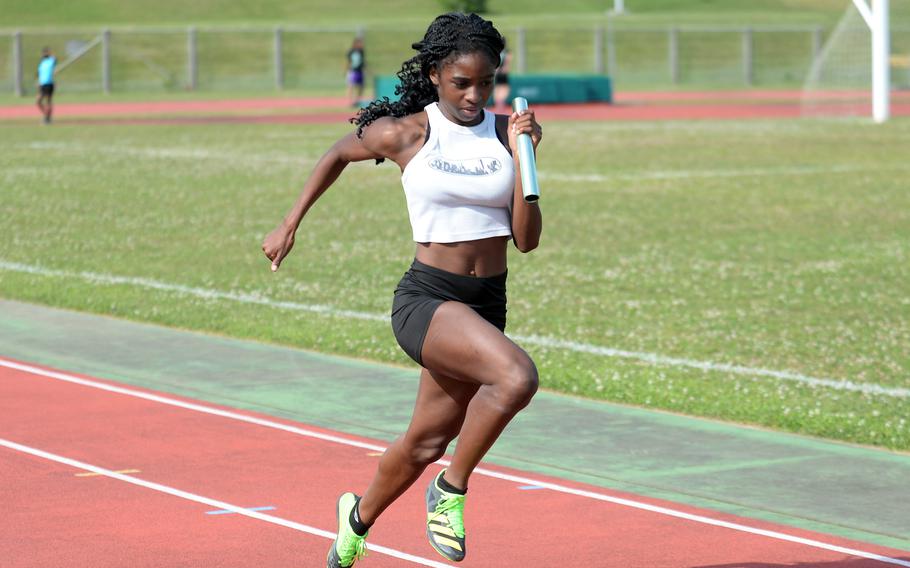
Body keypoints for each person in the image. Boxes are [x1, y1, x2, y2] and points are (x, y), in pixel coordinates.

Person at [262, 12, 543, 568]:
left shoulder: (504, 135)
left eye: (485, 83)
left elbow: (526, 240)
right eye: (462, 82)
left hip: (487, 303)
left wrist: (527, 159)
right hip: (428, 300)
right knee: (516, 377)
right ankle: (451, 491)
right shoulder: (409, 131)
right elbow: (339, 152)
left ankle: (356, 520)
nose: (474, 94)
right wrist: (290, 222)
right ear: (437, 74)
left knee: (424, 443)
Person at [36, 47, 57, 124]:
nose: (44, 54)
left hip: (49, 83)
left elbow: (55, 58)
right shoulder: (41, 63)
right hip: (42, 84)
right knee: (38, 101)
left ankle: (48, 118)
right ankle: (46, 115)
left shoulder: (50, 61)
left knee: (48, 101)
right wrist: (38, 83)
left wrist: (50, 53)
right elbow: (39, 74)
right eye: (43, 53)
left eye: (45, 53)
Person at [346, 37, 366, 107]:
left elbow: (362, 62)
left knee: (361, 86)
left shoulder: (361, 52)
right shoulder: (351, 51)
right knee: (351, 86)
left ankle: (357, 100)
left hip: (360, 71)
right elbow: (348, 62)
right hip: (353, 71)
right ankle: (350, 101)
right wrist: (347, 70)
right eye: (360, 43)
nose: (361, 45)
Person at [494, 44, 512, 109]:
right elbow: (507, 61)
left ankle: (498, 102)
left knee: (498, 87)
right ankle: (501, 102)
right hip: (503, 72)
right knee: (504, 87)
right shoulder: (507, 52)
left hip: (497, 71)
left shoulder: (497, 51)